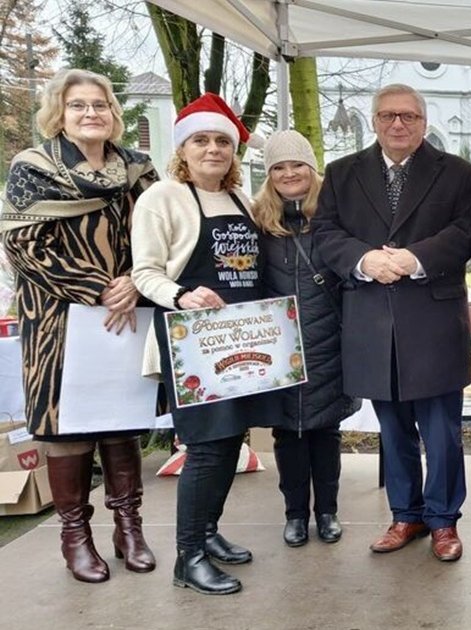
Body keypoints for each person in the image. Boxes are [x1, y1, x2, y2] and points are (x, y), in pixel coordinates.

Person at [0, 68, 158, 583]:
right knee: (68, 424)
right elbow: (23, 246)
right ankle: (75, 536)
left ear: (113, 112)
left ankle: (129, 528)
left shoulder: (137, 167)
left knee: (121, 421)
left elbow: (160, 231)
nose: (91, 113)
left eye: (100, 104)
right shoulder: (34, 167)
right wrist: (98, 288)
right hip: (57, 321)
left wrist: (135, 279)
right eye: (78, 106)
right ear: (58, 114)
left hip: (129, 308)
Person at [313, 84, 471, 562]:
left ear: (423, 122)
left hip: (433, 318)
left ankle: (444, 520)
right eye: (387, 116)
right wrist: (365, 260)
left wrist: (413, 258)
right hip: (371, 319)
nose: (398, 124)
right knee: (393, 428)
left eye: (408, 116)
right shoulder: (343, 174)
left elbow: (468, 231)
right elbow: (327, 231)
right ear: (374, 121)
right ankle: (406, 514)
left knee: (441, 429)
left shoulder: (458, 173)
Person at [131, 93, 277, 595]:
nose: (213, 148)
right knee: (206, 449)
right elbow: (144, 273)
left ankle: (209, 533)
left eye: (222, 140)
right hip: (191, 343)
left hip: (237, 342)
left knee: (229, 441)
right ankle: (187, 557)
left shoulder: (241, 199)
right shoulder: (162, 197)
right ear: (183, 149)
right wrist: (182, 294)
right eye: (201, 140)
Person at [254, 130, 360, 548]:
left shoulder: (333, 215)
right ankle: (295, 514)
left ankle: (328, 511)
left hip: (328, 339)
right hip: (278, 343)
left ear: (312, 168)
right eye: (278, 167)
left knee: (325, 431)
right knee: (288, 433)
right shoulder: (259, 220)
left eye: (297, 164)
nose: (289, 173)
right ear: (269, 175)